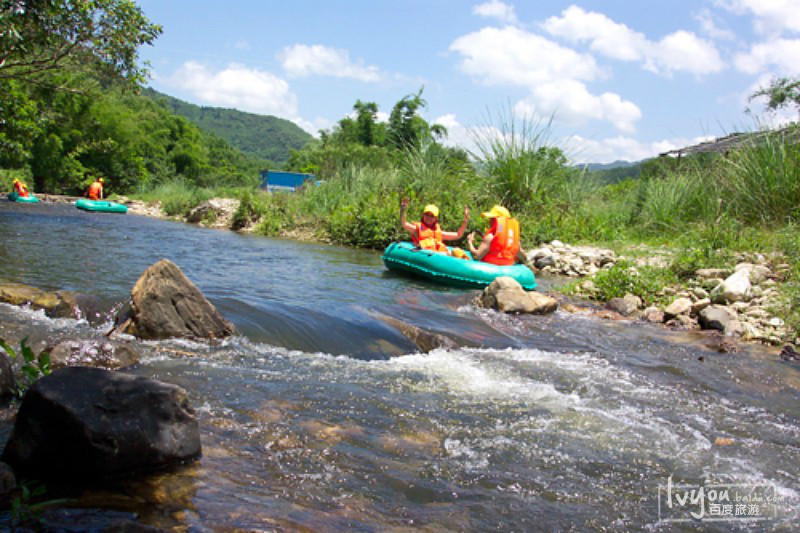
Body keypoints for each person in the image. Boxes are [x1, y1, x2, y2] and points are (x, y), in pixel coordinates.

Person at [400, 197, 469, 255]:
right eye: (427, 214)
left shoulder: (438, 232)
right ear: (423, 215)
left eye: (432, 216)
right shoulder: (417, 229)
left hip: (439, 255)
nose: (428, 218)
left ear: (436, 219)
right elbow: (404, 224)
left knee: (457, 251)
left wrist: (465, 221)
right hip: (424, 254)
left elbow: (458, 235)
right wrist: (403, 210)